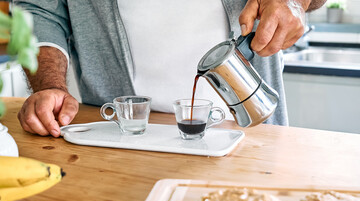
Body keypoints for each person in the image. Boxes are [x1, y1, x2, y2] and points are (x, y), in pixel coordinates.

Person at [15, 0, 326, 137]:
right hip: (118, 132)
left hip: (248, 131)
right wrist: (50, 84)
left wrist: (293, 1)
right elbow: (40, 9)